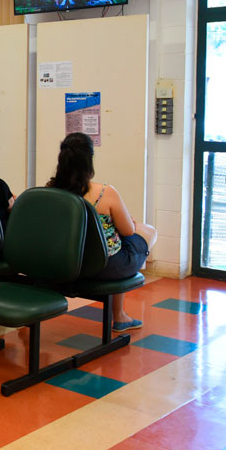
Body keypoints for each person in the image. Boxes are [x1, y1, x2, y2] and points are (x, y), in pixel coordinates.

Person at [47, 132, 158, 332]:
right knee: (147, 231)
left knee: (115, 240)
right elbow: (128, 230)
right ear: (89, 162)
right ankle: (120, 315)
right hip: (103, 267)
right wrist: (129, 223)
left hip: (64, 263)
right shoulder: (105, 192)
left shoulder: (51, 190)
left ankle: (121, 314)